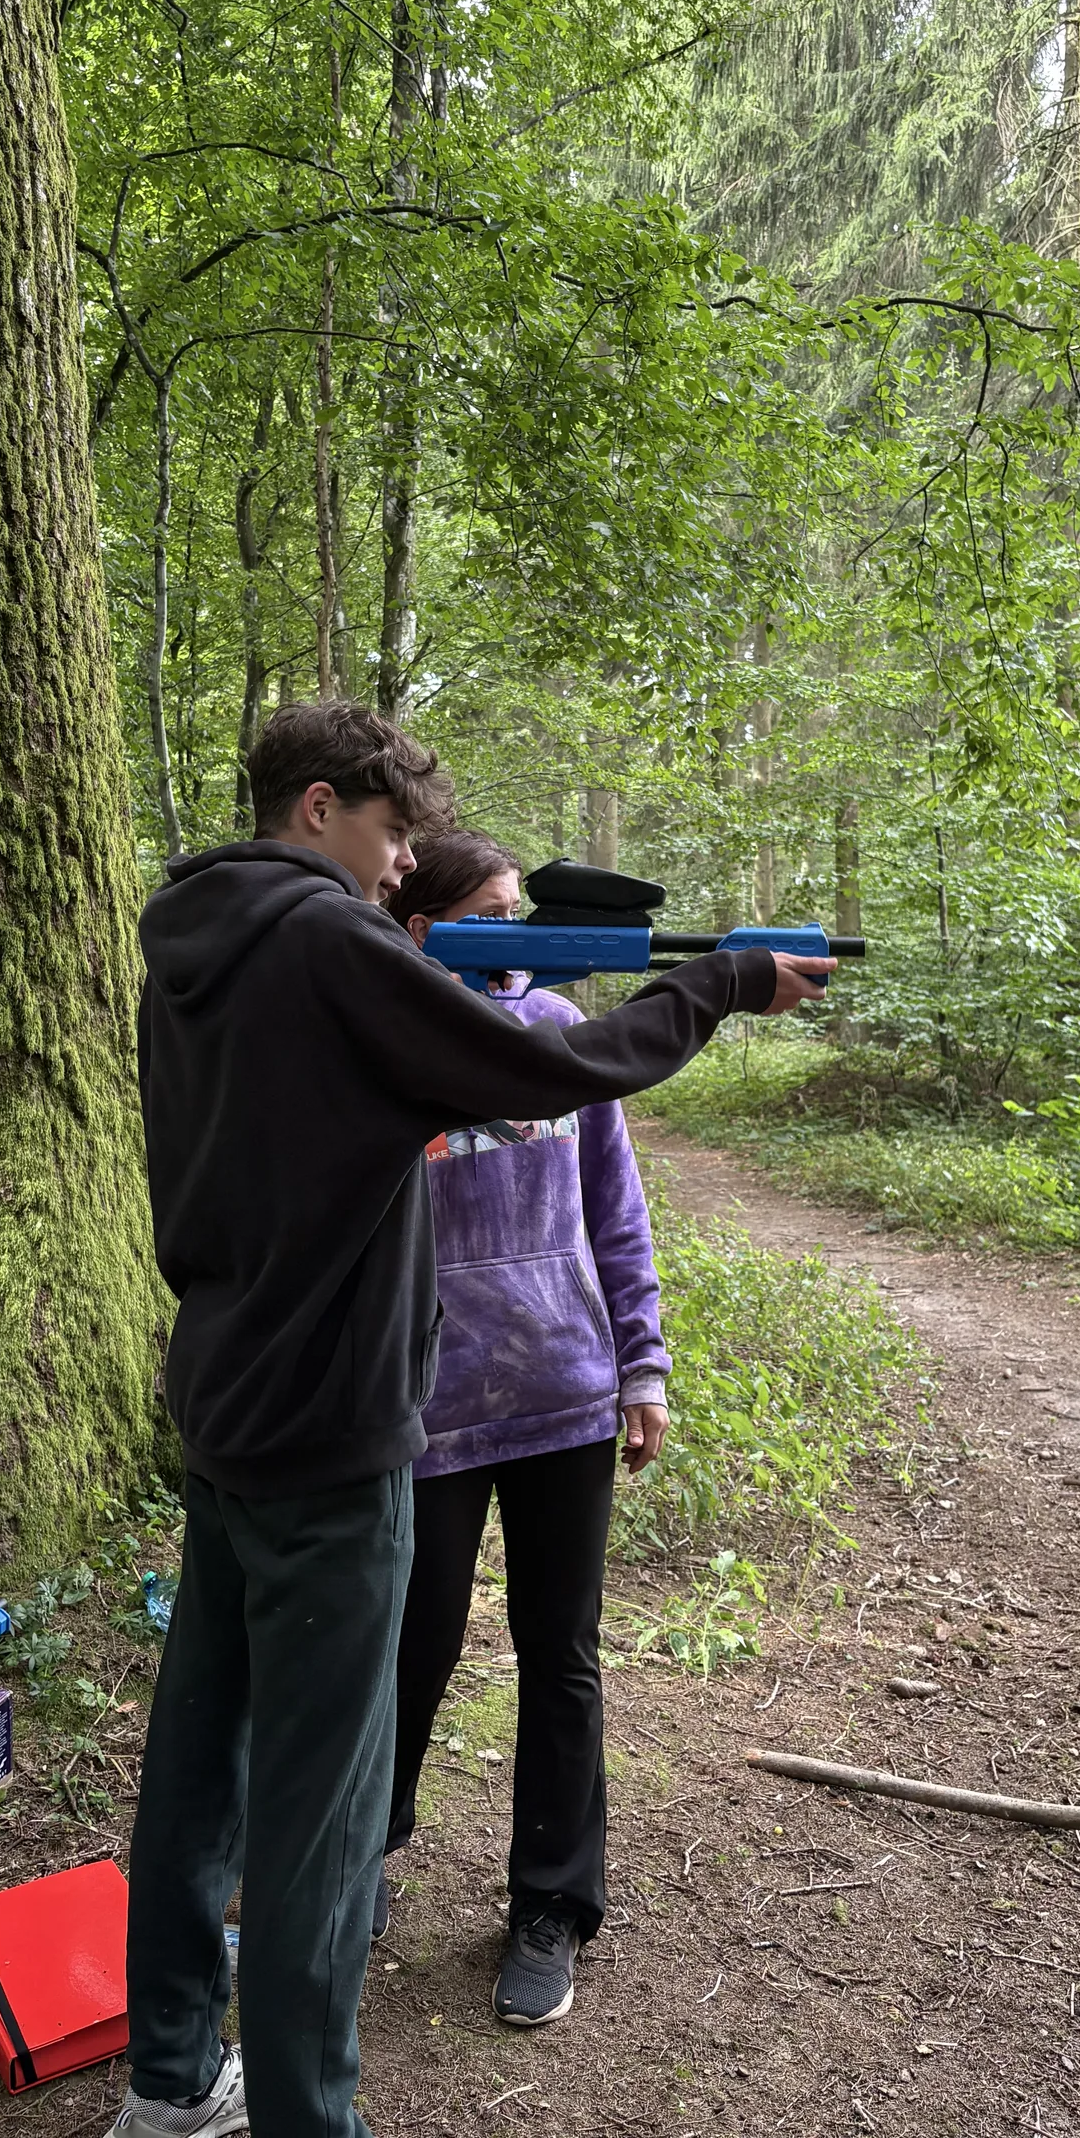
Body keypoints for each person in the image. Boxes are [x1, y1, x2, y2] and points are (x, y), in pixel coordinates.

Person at [115, 700, 833, 2138]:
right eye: (390, 836)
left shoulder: (198, 941)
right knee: (321, 1817)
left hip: (232, 1401)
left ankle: (174, 2082)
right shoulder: (329, 944)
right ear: (318, 808)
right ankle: (309, 2121)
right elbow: (553, 1070)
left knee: (202, 1768)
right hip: (333, 1428)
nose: (399, 869)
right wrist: (723, 984)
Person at [378, 830, 669, 2031]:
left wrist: (641, 1365)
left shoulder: (560, 1031)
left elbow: (617, 1210)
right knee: (408, 1647)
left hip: (562, 1392)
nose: (512, 941)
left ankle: (550, 1901)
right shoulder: (386, 1040)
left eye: (521, 916)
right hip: (430, 1410)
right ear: (425, 926)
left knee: (562, 1654)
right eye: (487, 918)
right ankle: (362, 1857)